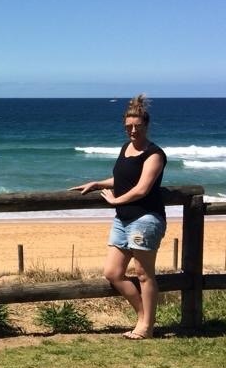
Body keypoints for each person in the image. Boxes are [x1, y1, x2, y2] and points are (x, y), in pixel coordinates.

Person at [70, 94, 167, 339]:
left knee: (144, 275)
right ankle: (144, 319)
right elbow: (123, 180)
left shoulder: (154, 154)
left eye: (137, 126)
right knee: (113, 273)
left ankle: (146, 326)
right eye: (128, 127)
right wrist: (97, 183)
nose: (132, 131)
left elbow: (142, 189)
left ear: (146, 125)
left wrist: (114, 200)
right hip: (122, 220)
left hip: (145, 219)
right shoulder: (126, 149)